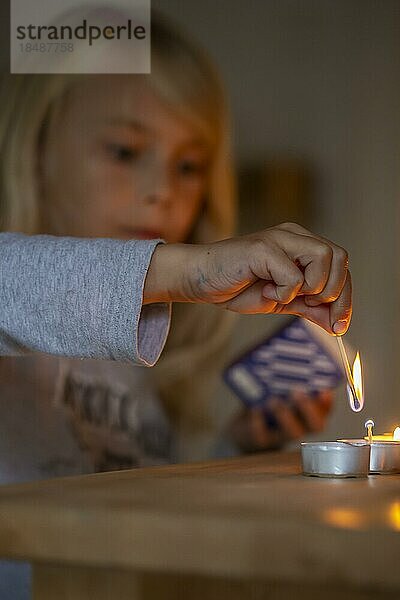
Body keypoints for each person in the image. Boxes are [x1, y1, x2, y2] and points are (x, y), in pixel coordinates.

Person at [0, 13, 351, 471]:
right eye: (124, 151)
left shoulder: (145, 355)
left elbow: (135, 516)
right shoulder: (18, 306)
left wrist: (238, 449)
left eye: (188, 167)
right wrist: (189, 271)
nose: (162, 191)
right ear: (37, 149)